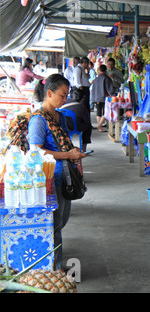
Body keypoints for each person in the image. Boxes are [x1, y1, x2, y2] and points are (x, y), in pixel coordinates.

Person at [28, 74, 87, 271]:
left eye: (66, 95)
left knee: (61, 221)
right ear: (50, 93)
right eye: (62, 95)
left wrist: (74, 153)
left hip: (66, 175)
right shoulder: (39, 119)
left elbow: (64, 142)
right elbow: (35, 150)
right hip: (51, 178)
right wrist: (66, 155)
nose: (65, 99)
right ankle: (56, 268)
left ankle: (55, 262)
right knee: (53, 224)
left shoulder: (60, 116)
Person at [91, 64, 115, 132]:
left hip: (96, 97)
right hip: (104, 97)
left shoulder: (96, 78)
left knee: (98, 112)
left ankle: (100, 127)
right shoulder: (106, 78)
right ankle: (99, 125)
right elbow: (109, 89)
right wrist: (113, 95)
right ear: (106, 70)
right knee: (105, 112)